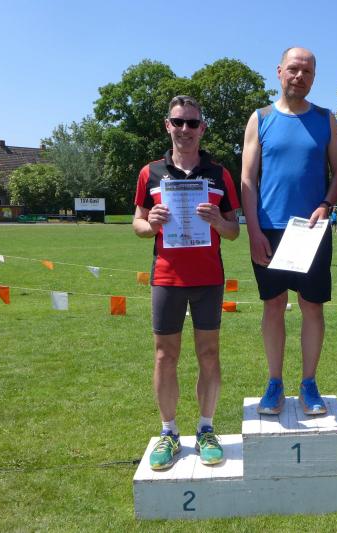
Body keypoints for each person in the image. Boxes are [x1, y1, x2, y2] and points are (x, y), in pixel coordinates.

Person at [133, 95, 240, 470]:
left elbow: (234, 231)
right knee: (165, 355)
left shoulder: (219, 174)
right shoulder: (151, 173)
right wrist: (151, 225)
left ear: (202, 128)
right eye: (178, 122)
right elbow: (137, 224)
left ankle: (206, 428)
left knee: (209, 354)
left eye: (192, 123)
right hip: (167, 276)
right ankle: (169, 433)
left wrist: (218, 222)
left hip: (208, 278)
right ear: (168, 125)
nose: (185, 129)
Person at [240, 47, 337, 416]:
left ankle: (309, 383)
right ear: (280, 71)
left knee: (311, 307)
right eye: (294, 69)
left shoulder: (326, 119)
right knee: (273, 306)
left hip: (312, 230)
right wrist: (253, 231)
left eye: (307, 71)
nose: (300, 76)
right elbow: (247, 180)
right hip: (269, 229)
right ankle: (274, 383)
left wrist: (327, 204)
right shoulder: (260, 118)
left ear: (314, 77)